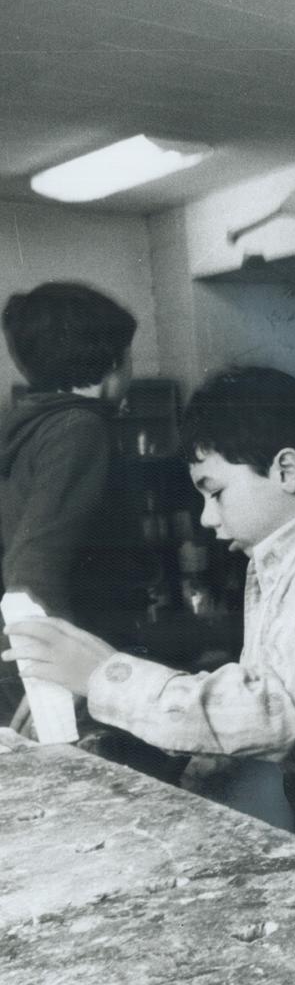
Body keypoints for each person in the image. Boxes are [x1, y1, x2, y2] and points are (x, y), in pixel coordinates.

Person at [3, 366, 295, 900]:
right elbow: (262, 684)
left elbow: (273, 712)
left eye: (215, 492)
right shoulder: (280, 561)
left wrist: (105, 676)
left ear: (287, 469)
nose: (205, 517)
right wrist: (213, 758)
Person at [0, 282, 135, 713]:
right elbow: (31, 566)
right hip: (64, 663)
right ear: (113, 360)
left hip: (30, 654)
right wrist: (55, 690)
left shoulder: (31, 423)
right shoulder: (79, 428)